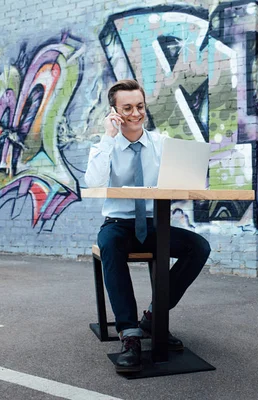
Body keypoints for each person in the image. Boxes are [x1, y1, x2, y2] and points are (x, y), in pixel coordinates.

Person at [84, 79, 211, 373]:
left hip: (155, 225)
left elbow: (185, 179)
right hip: (118, 225)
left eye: (140, 106)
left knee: (198, 247)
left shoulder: (161, 143)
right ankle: (130, 336)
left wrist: (187, 181)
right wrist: (108, 137)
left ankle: (154, 319)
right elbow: (94, 183)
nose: (136, 113)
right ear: (114, 112)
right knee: (111, 245)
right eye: (127, 108)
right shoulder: (105, 147)